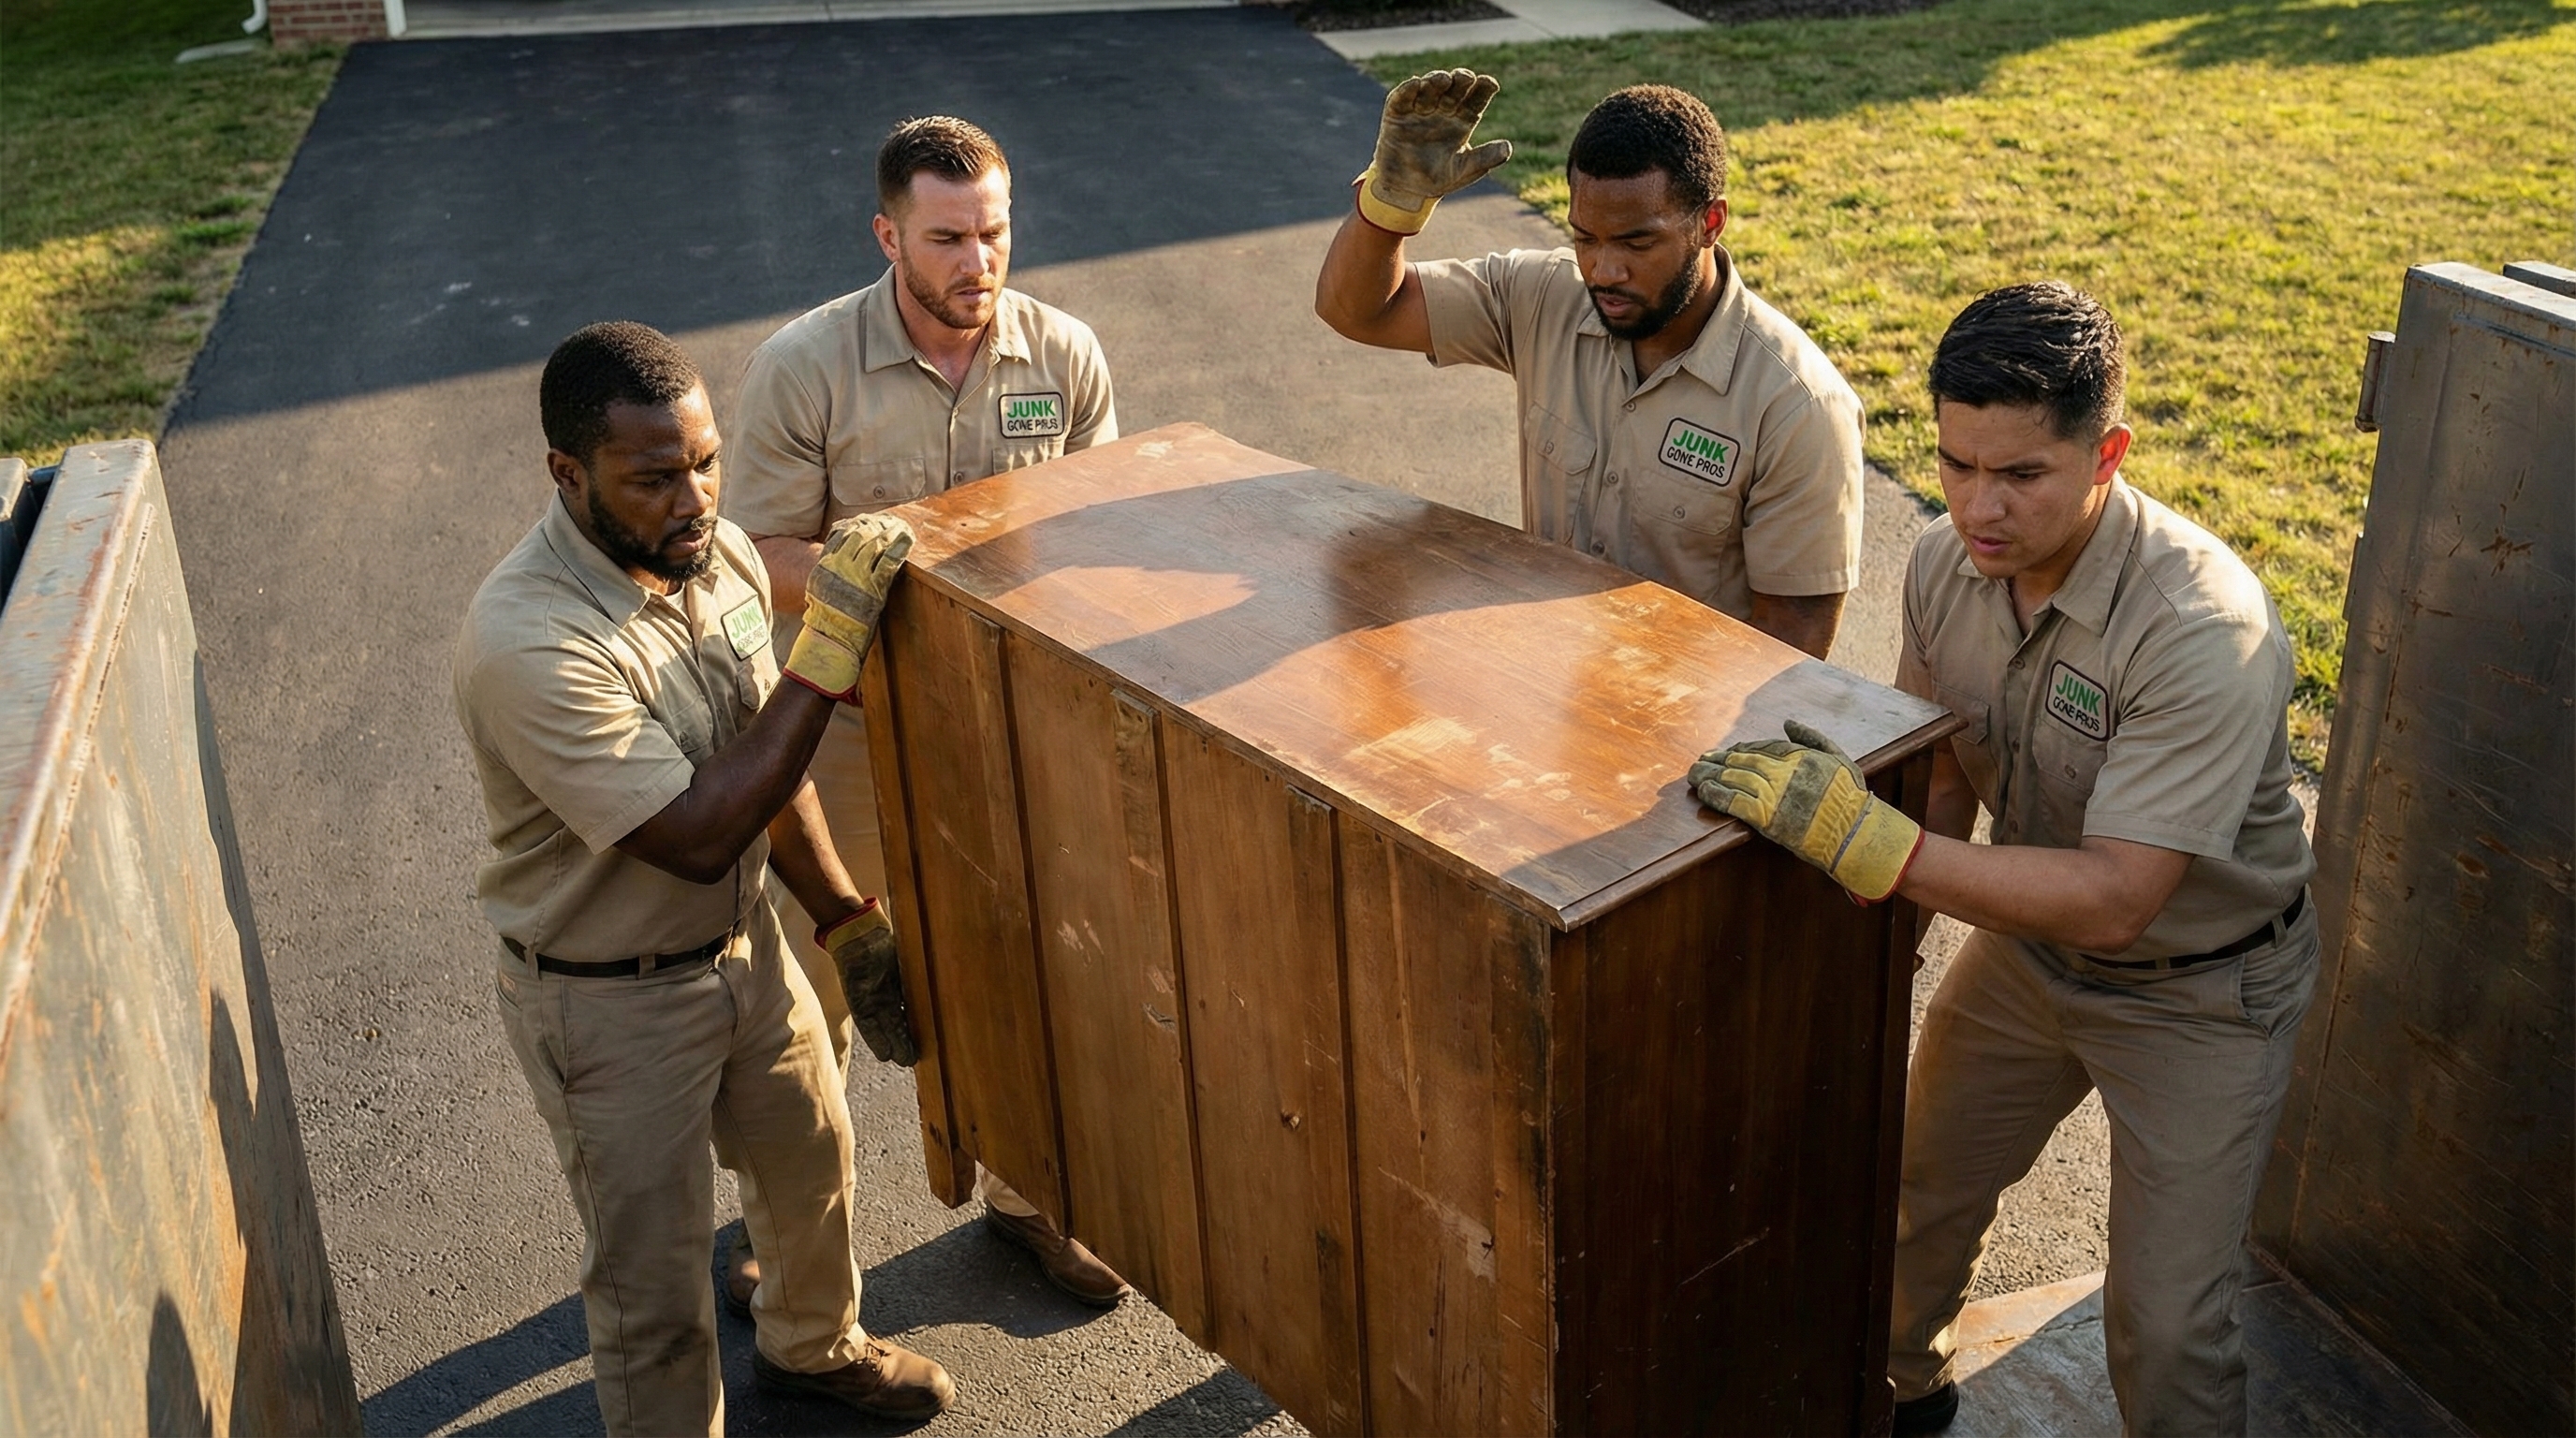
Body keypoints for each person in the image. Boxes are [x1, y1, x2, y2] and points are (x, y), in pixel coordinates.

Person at [1689, 284, 2318, 1436]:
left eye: (2020, 474)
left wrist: (1866, 846)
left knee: (2168, 1319)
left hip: (2201, 992)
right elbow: (1935, 785)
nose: (1979, 506)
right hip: (2028, 952)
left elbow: (2122, 900)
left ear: (2107, 454)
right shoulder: (1942, 565)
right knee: (1916, 1198)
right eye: (1954, 462)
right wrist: (1871, 972)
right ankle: (1901, 1400)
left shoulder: (2199, 629)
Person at [453, 321, 954, 1433]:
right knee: (656, 1285)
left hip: (746, 949)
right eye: (654, 479)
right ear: (568, 473)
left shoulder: (712, 556)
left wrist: (846, 924)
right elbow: (695, 830)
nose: (693, 499)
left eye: (706, 462)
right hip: (607, 999)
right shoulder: (530, 640)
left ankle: (812, 1349)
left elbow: (760, 760)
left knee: (811, 1156)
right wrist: (829, 648)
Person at [719, 114, 1127, 1307]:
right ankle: (793, 1236)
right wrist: (879, 577)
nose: (977, 263)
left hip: (1004, 724)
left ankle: (1025, 1200)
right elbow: (755, 552)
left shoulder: (1066, 356)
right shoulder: (805, 366)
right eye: (947, 237)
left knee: (1017, 961)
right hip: (840, 725)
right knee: (818, 980)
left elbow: (1099, 525)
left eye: (995, 232)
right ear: (888, 233)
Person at [1314, 73, 1864, 658]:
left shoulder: (1798, 406)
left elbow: (1793, 646)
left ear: (1710, 223)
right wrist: (1389, 207)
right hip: (1540, 684)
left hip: (1685, 730)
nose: (1603, 271)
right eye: (1585, 238)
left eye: (1636, 244)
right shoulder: (1544, 296)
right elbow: (1358, 311)